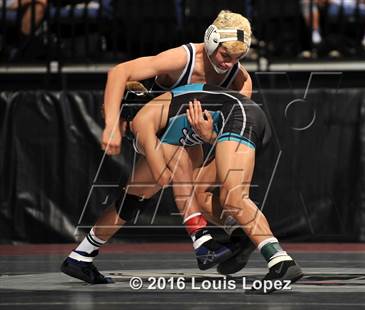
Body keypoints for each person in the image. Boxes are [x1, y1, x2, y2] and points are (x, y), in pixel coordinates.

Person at [61, 10, 256, 284]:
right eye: (226, 55)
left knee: (137, 196)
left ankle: (81, 257)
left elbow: (230, 130)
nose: (230, 63)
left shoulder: (241, 80)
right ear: (212, 42)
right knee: (179, 161)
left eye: (238, 58)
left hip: (187, 135)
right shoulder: (183, 58)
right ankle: (203, 240)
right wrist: (112, 126)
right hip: (148, 123)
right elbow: (120, 72)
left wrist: (211, 135)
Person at [111, 83, 304, 293]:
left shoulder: (146, 120)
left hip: (240, 116)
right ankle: (242, 235)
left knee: (234, 197)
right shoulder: (167, 118)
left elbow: (164, 176)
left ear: (126, 113)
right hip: (236, 121)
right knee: (197, 196)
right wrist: (209, 137)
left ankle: (280, 261)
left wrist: (147, 174)